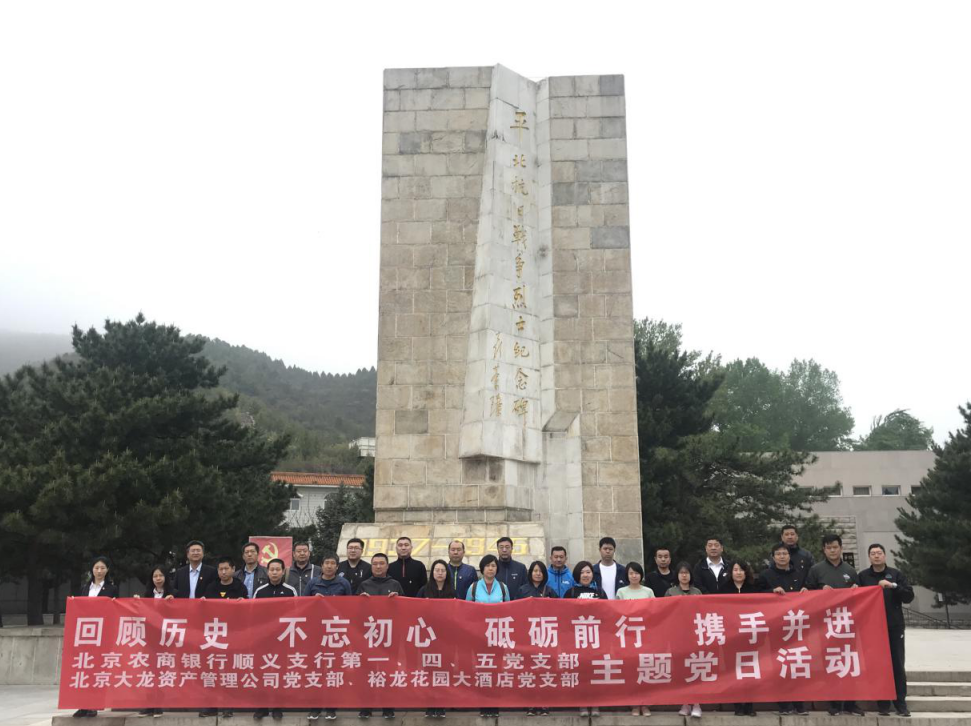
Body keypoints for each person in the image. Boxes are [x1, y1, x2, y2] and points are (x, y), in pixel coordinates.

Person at [805, 534, 864, 717]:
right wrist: (819, 591)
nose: (832, 550)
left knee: (849, 661)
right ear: (824, 550)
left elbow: (862, 597)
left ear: (841, 548)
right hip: (826, 625)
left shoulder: (850, 570)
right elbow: (806, 594)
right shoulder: (816, 570)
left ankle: (851, 703)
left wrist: (857, 591)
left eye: (835, 547)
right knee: (830, 662)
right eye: (829, 547)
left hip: (847, 624)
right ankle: (834, 703)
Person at [859, 543, 914, 717]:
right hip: (872, 628)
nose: (876, 556)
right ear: (869, 557)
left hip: (894, 626)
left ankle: (900, 703)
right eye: (873, 553)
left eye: (879, 553)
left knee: (897, 664)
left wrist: (893, 586)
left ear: (884, 555)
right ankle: (883, 704)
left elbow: (909, 596)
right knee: (878, 665)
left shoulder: (896, 574)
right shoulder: (862, 577)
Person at [756, 545, 807, 716]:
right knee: (780, 664)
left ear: (789, 556)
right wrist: (771, 592)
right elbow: (755, 595)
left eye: (785, 553)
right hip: (776, 626)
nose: (782, 556)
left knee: (797, 663)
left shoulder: (799, 574)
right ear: (773, 557)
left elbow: (809, 591)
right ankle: (784, 704)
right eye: (778, 554)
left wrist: (807, 591)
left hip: (796, 626)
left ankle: (800, 703)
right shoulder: (766, 575)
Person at [70, 557, 118, 719]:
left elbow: (115, 610)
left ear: (107, 570)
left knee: (98, 671)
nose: (99, 571)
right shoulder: (85, 588)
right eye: (96, 568)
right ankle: (82, 705)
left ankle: (94, 705)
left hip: (102, 634)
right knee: (84, 670)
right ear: (92, 570)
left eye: (102, 568)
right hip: (84, 635)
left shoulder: (112, 589)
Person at [199, 557, 246, 718]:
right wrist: (202, 603)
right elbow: (203, 611)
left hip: (233, 635)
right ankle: (211, 706)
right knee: (213, 670)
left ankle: (228, 705)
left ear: (233, 569)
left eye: (226, 568)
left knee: (229, 671)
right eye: (220, 569)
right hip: (214, 636)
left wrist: (243, 603)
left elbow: (247, 611)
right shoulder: (211, 587)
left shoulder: (240, 587)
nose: (223, 572)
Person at [357, 552, 399, 720]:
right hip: (368, 636)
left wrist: (397, 600)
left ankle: (388, 707)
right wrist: (360, 601)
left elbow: (405, 609)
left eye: (382, 563)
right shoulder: (364, 585)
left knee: (388, 671)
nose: (378, 566)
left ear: (387, 566)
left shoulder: (395, 584)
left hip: (389, 636)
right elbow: (353, 611)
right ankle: (366, 707)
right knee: (366, 672)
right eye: (375, 564)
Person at [254, 559, 296, 721]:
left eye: (278, 569)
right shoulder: (260, 591)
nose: (275, 572)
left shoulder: (290, 591)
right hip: (263, 641)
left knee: (280, 673)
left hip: (283, 639)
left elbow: (297, 613)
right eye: (272, 569)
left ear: (283, 571)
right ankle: (262, 707)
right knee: (262, 672)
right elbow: (252, 614)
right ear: (267, 571)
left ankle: (277, 707)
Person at [466, 555, 508, 717]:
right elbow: (466, 610)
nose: (491, 568)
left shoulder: (503, 587)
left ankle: (495, 704)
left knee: (496, 669)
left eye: (494, 566)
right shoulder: (473, 587)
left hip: (498, 634)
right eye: (488, 566)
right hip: (479, 636)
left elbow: (510, 610)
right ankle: (483, 704)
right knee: (482, 669)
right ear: (482, 568)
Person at [719, 561, 757, 717]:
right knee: (733, 671)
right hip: (731, 636)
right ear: (731, 572)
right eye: (735, 570)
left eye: (741, 570)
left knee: (750, 671)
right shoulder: (724, 589)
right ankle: (737, 705)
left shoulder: (754, 588)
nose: (739, 572)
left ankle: (749, 705)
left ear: (746, 572)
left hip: (749, 636)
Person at [616, 562, 653, 717]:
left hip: (645, 635)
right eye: (631, 573)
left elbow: (655, 611)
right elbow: (616, 613)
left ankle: (645, 704)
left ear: (641, 575)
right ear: (627, 575)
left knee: (645, 669)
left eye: (636, 573)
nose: (634, 576)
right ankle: (634, 705)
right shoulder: (621, 592)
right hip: (628, 636)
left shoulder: (648, 591)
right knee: (631, 671)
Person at [666, 562, 702, 718]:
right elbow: (665, 613)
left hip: (694, 635)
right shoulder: (671, 592)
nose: (684, 575)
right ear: (677, 575)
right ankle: (685, 703)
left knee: (695, 669)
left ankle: (697, 704)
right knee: (682, 671)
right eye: (681, 573)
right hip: (677, 636)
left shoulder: (697, 592)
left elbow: (703, 612)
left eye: (687, 572)